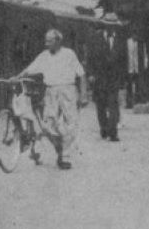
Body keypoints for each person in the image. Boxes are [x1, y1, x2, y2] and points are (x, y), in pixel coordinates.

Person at [17, 28, 86, 169]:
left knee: (71, 124)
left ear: (58, 41)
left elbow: (81, 74)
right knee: (48, 125)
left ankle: (65, 157)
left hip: (68, 90)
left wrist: (83, 94)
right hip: (51, 91)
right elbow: (29, 69)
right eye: (46, 40)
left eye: (49, 40)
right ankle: (60, 148)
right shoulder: (44, 56)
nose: (46, 43)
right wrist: (17, 77)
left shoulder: (69, 54)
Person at [88, 16, 126, 141]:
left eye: (113, 25)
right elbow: (90, 58)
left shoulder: (120, 39)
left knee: (113, 104)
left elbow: (123, 60)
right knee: (101, 106)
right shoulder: (95, 38)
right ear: (105, 26)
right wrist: (91, 74)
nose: (111, 28)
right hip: (99, 77)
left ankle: (113, 132)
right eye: (108, 25)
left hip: (114, 78)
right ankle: (104, 128)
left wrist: (122, 78)